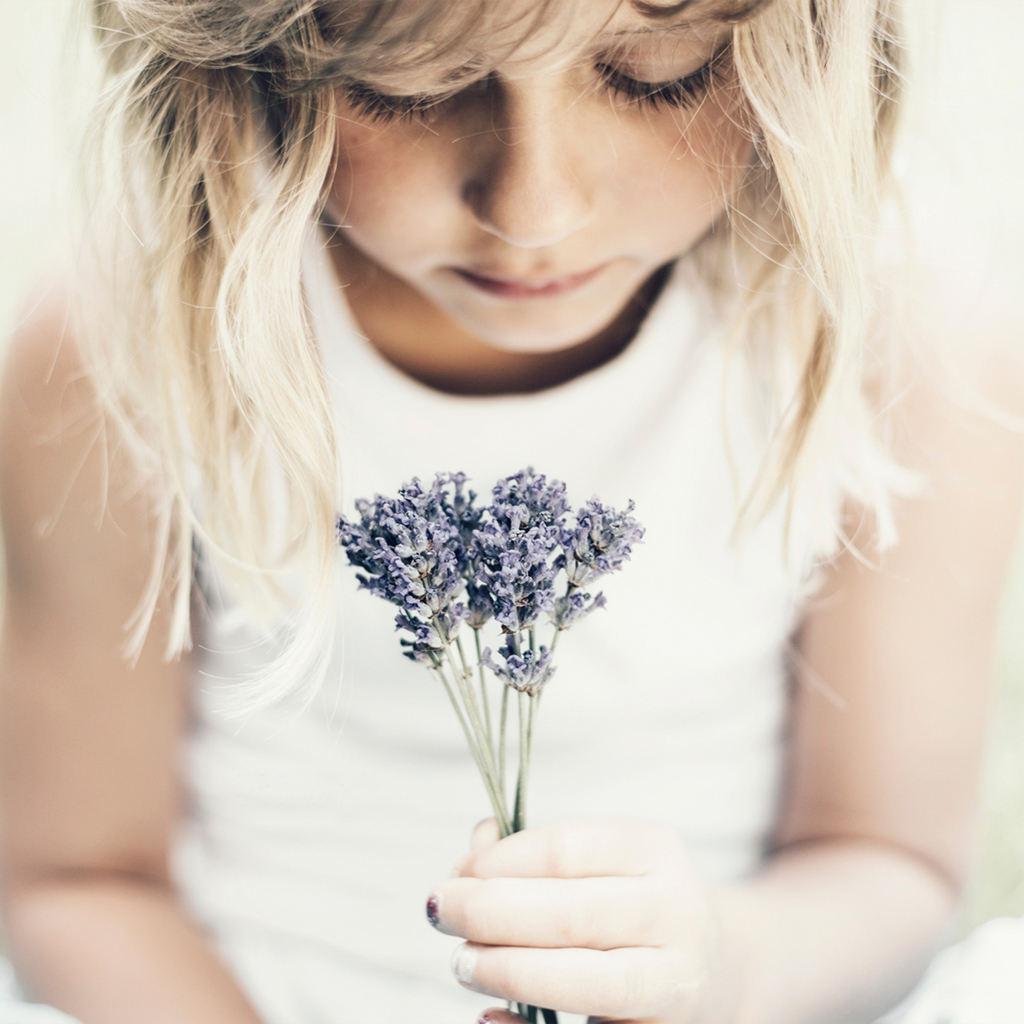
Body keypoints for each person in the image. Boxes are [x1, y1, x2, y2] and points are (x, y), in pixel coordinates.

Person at [0, 0, 1021, 1022]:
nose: (535, 211)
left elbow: (887, 862)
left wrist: (722, 972)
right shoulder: (118, 343)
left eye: (658, 74)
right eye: (413, 86)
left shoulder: (898, 334)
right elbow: (80, 878)